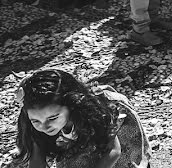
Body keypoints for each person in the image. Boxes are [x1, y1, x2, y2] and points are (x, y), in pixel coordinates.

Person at [15, 69, 151, 168]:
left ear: (71, 104)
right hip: (76, 143)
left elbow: (113, 150)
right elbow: (36, 159)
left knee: (126, 162)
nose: (44, 126)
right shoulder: (36, 122)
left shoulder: (95, 113)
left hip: (111, 136)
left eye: (53, 118)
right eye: (36, 121)